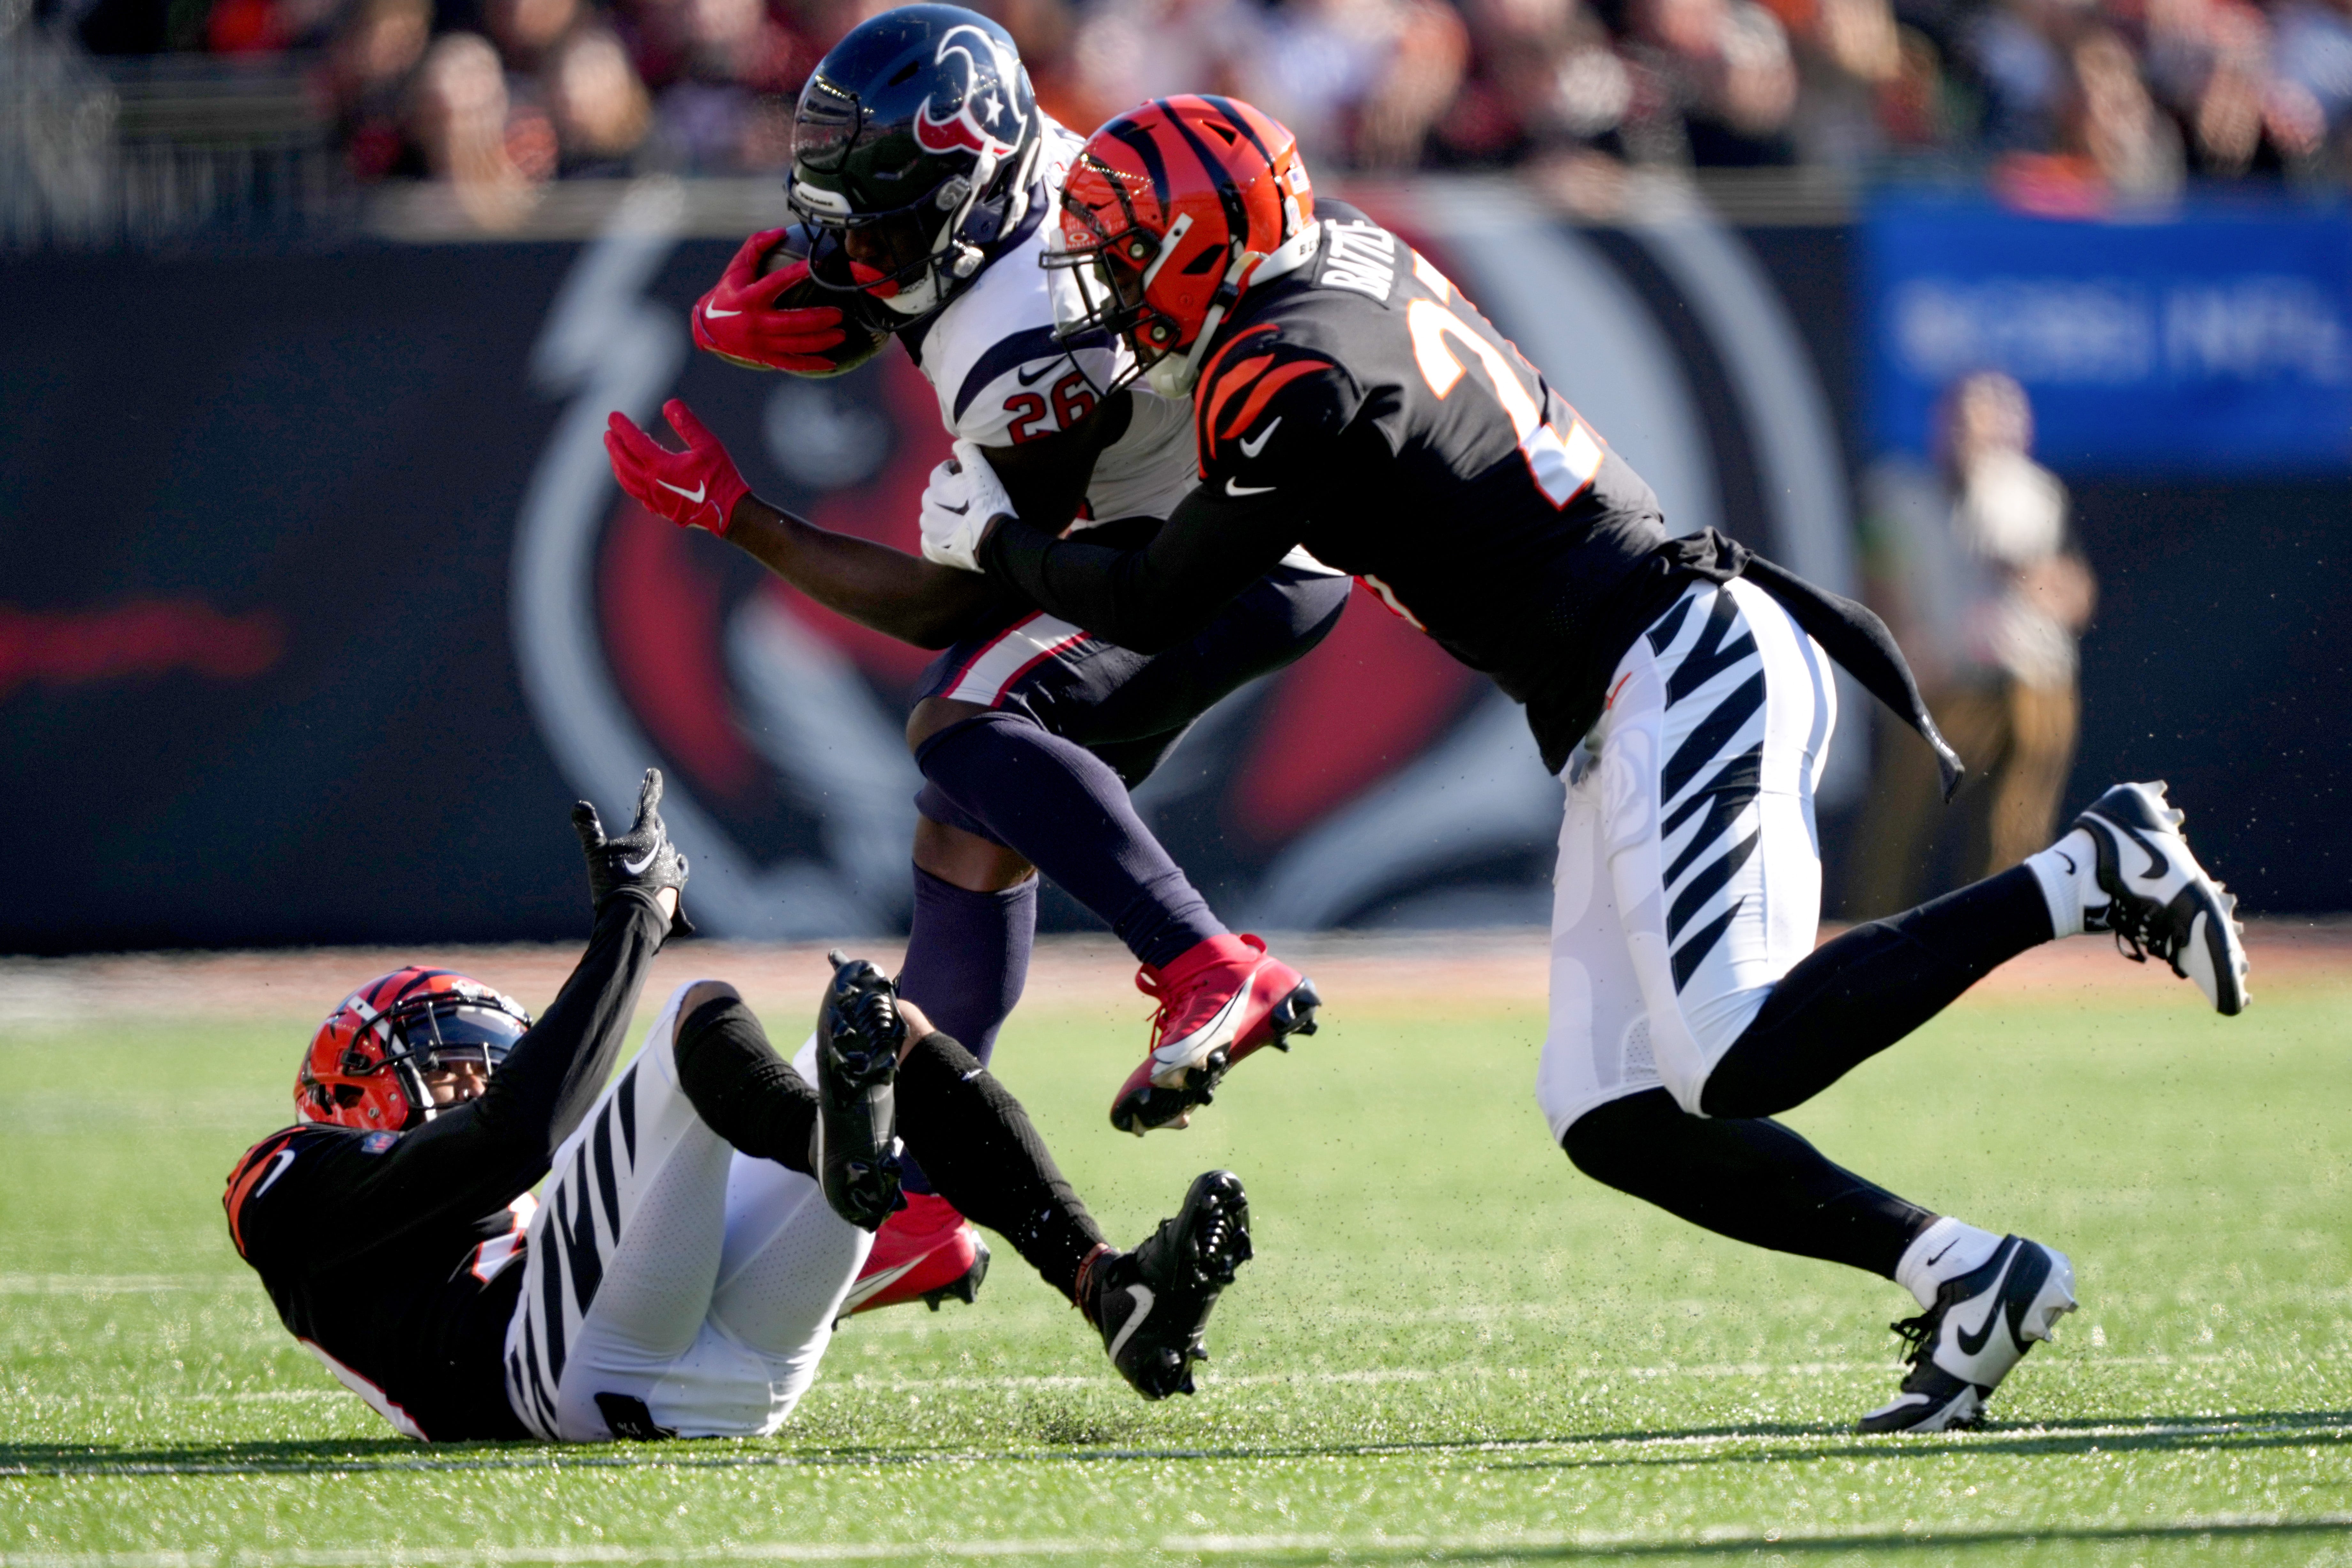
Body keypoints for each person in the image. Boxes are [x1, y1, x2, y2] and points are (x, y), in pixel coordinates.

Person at [910, 94, 2250, 1433]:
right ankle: (1964, 1275)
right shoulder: (1332, 265)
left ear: (1206, 244)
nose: (1104, 277)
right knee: (1606, 1105)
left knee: (1730, 1052)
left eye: (1126, 245)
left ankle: (2085, 874)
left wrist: (997, 546)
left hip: (1674, 661)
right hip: (1623, 690)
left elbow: (1158, 596)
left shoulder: (1292, 369)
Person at [610, 5, 1347, 1313]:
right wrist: (865, 282)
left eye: (880, 230)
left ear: (974, 186)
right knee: (966, 827)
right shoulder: (1031, 179)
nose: (853, 256)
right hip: (1221, 514)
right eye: (839, 222)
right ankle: (932, 1209)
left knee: (966, 719)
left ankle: (1205, 964)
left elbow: (951, 607)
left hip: (1241, 545)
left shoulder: (1015, 339)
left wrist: (740, 518)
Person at [220, 769, 1253, 1442]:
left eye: (488, 1064)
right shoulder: (283, 1178)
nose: (477, 1082)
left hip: (733, 1386)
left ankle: (1107, 1287)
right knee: (694, 1009)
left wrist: (898, 1264)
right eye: (451, 1069)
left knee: (890, 1029)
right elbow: (518, 1136)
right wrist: (633, 916)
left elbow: (645, 1234)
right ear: (349, 1086)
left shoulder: (507, 1181)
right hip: (531, 1382)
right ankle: (837, 1143)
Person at [1849, 370, 2096, 919]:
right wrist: (1904, 647)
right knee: (1902, 823)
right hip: (1942, 682)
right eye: (1962, 421)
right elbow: (1877, 578)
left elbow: (2077, 598)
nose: (1973, 435)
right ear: (1940, 425)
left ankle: (1998, 939)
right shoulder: (1896, 494)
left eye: (1989, 422)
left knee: (2015, 828)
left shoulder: (2033, 496)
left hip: (2030, 676)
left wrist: (2028, 574)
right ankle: (1873, 933)